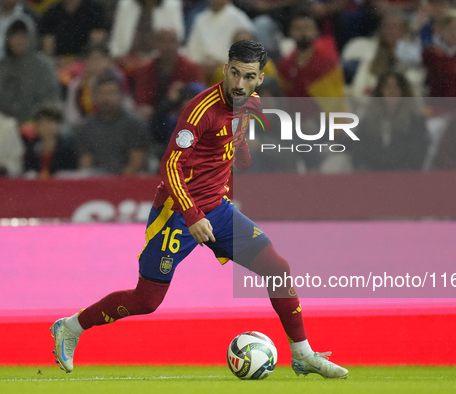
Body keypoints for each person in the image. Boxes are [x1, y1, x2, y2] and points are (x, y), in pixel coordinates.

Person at [50, 40, 349, 379]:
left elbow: (233, 141)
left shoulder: (250, 103)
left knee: (277, 268)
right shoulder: (200, 109)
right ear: (225, 69)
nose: (238, 83)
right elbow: (170, 167)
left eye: (248, 76)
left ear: (260, 78)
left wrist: (241, 155)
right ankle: (71, 327)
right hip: (177, 212)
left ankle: (302, 354)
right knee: (147, 300)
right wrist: (192, 216)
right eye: (234, 73)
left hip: (217, 209)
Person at [75, 70, 151, 175]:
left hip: (128, 182)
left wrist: (115, 186)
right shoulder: (86, 126)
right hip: (97, 181)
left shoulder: (135, 124)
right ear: (95, 96)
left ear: (120, 95)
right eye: (102, 93)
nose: (106, 98)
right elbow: (86, 161)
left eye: (111, 93)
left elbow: (135, 163)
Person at [352, 71, 429, 171]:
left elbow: (416, 157)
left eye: (396, 87)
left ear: (403, 92)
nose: (392, 91)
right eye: (387, 87)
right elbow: (359, 153)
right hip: (372, 179)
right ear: (380, 91)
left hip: (403, 179)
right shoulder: (368, 121)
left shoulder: (416, 121)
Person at [0, 19, 60, 124]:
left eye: (22, 36)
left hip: (38, 125)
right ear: (7, 39)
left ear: (31, 38)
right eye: (14, 36)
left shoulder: (44, 66)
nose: (18, 41)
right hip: (3, 126)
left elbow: (51, 101)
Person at [24, 103, 77, 178]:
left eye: (50, 122)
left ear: (58, 124)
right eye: (43, 123)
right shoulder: (31, 148)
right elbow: (27, 171)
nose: (47, 126)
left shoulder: (67, 149)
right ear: (37, 125)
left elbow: (71, 173)